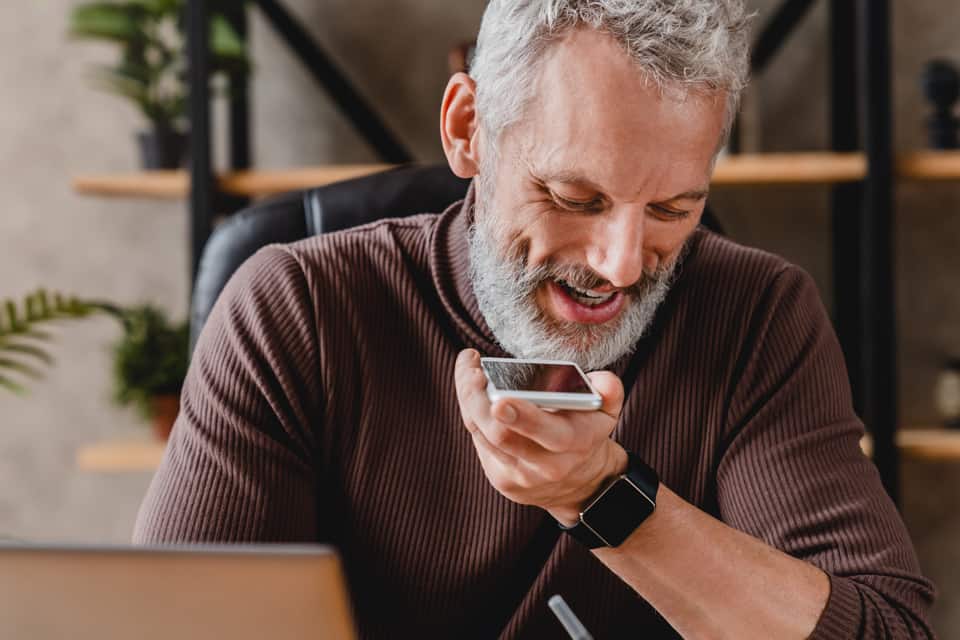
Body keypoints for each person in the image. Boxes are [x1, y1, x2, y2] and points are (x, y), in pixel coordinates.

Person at [134, 1, 936, 637]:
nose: (622, 264)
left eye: (671, 208)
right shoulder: (294, 309)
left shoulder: (757, 317)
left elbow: (885, 630)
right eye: (574, 198)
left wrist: (603, 496)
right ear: (466, 129)